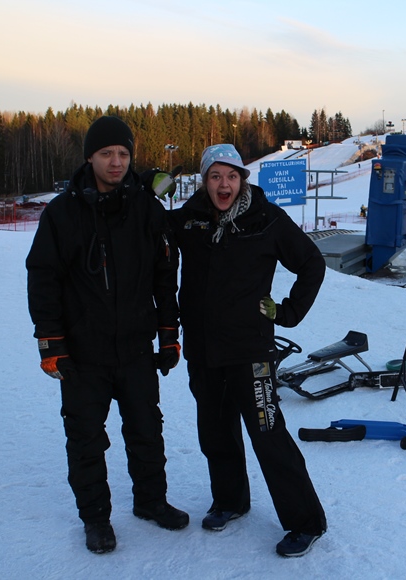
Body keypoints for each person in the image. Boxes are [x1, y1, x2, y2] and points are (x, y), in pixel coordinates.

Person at [26, 116, 187, 555]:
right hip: (84, 353)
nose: (116, 162)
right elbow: (43, 280)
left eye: (123, 154)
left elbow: (162, 277)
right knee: (85, 440)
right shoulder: (61, 214)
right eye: (106, 154)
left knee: (146, 431)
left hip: (136, 349)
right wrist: (51, 344)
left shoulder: (147, 209)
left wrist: (169, 335)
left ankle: (151, 502)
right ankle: (96, 519)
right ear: (90, 157)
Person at [169, 144, 327, 558]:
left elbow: (312, 262)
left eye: (232, 176)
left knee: (269, 436)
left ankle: (305, 522)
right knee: (215, 433)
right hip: (203, 351)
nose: (225, 185)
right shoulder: (190, 219)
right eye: (216, 176)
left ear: (243, 180)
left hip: (250, 351)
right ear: (204, 180)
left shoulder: (266, 219)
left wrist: (288, 312)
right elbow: (149, 225)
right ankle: (230, 501)